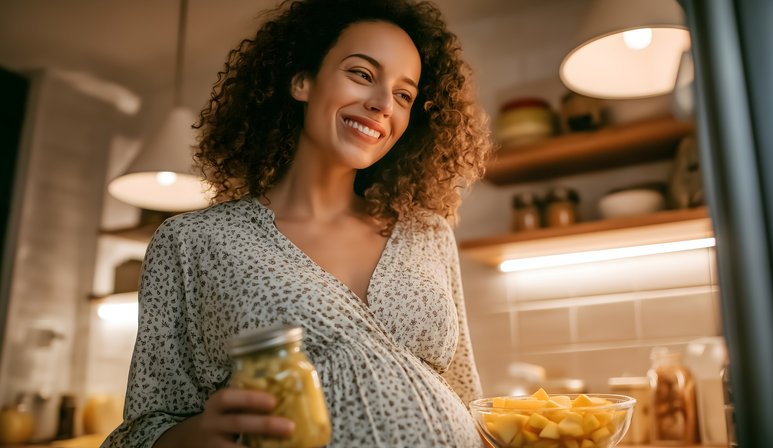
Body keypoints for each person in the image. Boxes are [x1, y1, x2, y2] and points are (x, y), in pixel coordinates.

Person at [102, 0, 494, 446]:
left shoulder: (428, 234)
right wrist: (198, 435)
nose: (383, 103)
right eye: (362, 74)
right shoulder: (192, 242)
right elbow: (139, 433)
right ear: (301, 80)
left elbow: (467, 398)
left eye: (404, 95)